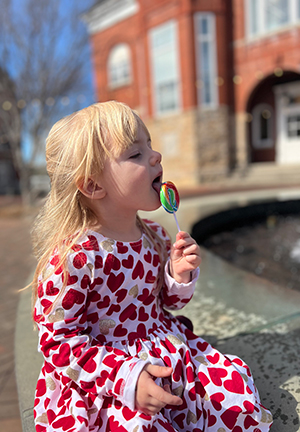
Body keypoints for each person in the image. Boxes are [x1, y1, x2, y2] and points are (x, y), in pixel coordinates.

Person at [32, 101, 272, 432]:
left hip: (164, 346)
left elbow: (166, 304)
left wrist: (177, 275)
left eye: (150, 145)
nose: (155, 155)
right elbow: (57, 342)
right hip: (107, 371)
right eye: (135, 154)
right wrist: (125, 378)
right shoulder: (75, 259)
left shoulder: (155, 235)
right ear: (93, 186)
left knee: (229, 394)